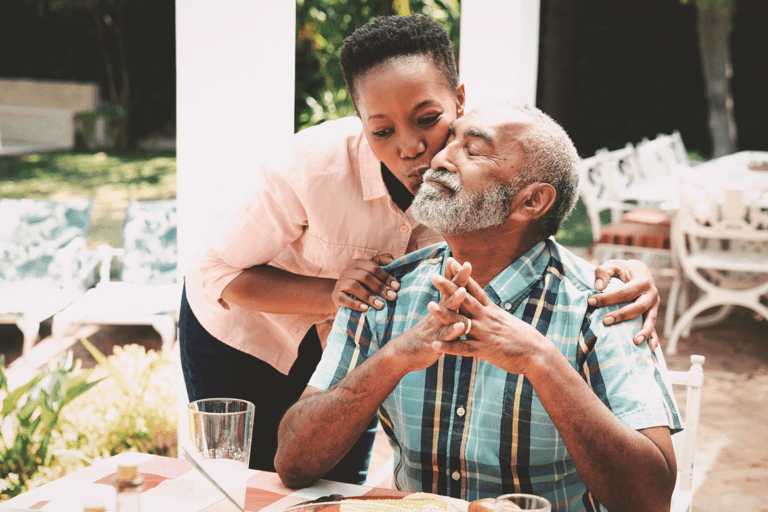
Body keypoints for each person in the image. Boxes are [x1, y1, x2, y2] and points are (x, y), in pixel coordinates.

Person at [180, 14, 662, 484]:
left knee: (344, 475)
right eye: (382, 131)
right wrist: (335, 295)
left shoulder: (473, 179)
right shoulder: (310, 168)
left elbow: (527, 228)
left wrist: (622, 274)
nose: (415, 150)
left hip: (349, 330)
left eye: (430, 121)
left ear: (459, 101)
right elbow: (215, 270)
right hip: (244, 333)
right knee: (239, 481)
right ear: (361, 123)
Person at [275, 101, 682, 512]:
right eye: (450, 140)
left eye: (473, 150)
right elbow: (294, 465)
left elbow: (650, 502)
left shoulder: (605, 305)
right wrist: (395, 357)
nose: (440, 158)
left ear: (531, 201)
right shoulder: (382, 293)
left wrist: (540, 359)